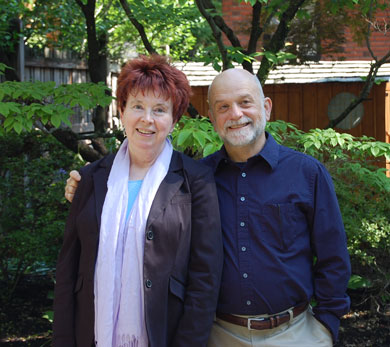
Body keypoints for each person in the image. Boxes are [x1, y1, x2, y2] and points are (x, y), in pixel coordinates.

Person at [65, 67, 351, 346]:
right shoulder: (195, 179)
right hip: (220, 334)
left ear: (266, 107)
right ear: (213, 119)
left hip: (295, 333)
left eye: (245, 103)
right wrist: (85, 187)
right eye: (223, 107)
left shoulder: (307, 174)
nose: (235, 114)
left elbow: (333, 257)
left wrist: (327, 325)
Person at [54, 55, 223, 347]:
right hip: (91, 334)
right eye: (137, 106)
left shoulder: (196, 181)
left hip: (166, 334)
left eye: (160, 109)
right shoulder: (90, 180)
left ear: (174, 120)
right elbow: (68, 271)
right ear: (121, 110)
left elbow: (205, 279)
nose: (147, 119)